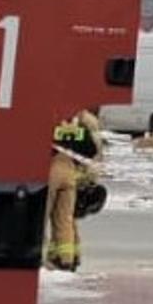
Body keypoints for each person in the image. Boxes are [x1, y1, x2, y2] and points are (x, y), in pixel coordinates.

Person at [47, 108, 104, 271]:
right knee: (66, 217)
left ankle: (41, 255)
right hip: (72, 171)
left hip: (51, 170)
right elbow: (93, 149)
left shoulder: (51, 119)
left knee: (42, 217)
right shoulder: (84, 123)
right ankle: (67, 259)